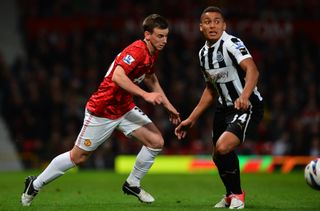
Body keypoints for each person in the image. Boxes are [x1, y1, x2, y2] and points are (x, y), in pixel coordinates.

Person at [21, 14, 180, 206]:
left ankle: (132, 183)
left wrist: (169, 106)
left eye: (166, 36)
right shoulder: (137, 50)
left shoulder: (151, 52)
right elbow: (118, 76)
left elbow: (151, 78)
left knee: (156, 141)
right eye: (160, 36)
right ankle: (35, 184)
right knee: (78, 157)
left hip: (124, 108)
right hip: (103, 110)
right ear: (147, 35)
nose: (165, 40)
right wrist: (145, 95)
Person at [175, 6, 264, 209]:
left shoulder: (232, 43)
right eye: (208, 22)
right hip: (223, 109)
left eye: (217, 21)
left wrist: (244, 96)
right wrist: (191, 119)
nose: (212, 25)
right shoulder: (203, 54)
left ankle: (238, 195)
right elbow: (210, 90)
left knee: (223, 148)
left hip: (246, 106)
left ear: (224, 25)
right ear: (200, 27)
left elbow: (252, 70)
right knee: (217, 155)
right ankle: (229, 195)